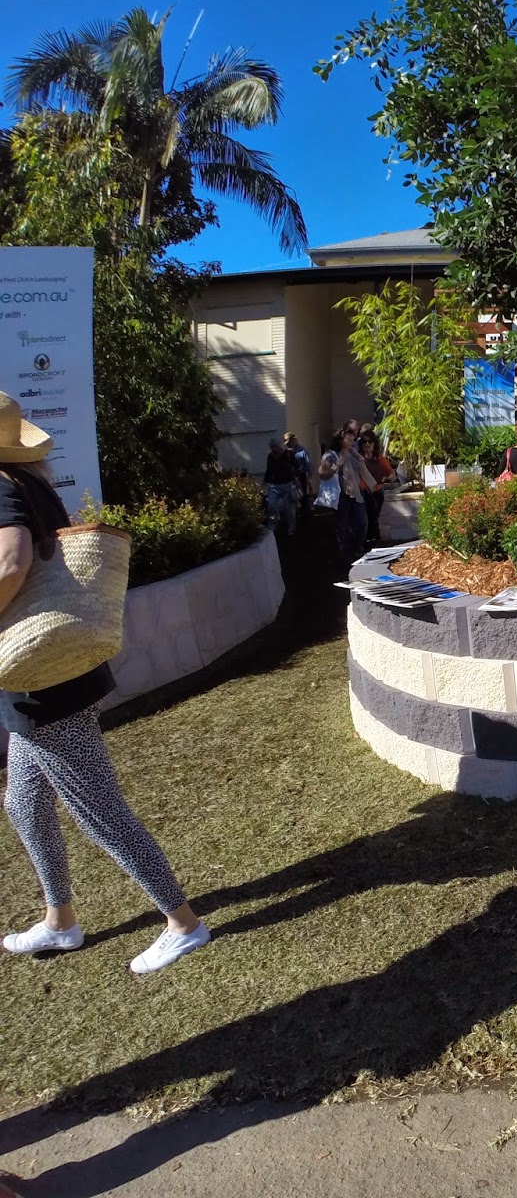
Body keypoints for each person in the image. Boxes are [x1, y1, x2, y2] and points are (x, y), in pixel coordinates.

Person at [0, 393, 209, 974]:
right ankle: (60, 920)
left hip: (42, 674)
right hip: (46, 667)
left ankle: (182, 922)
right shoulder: (30, 481)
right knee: (23, 801)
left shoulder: (0, 486)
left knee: (97, 808)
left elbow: (11, 565)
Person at [320, 427, 377, 564]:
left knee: (362, 522)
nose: (352, 442)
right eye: (349, 439)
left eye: (353, 439)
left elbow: (361, 470)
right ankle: (345, 553)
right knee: (343, 524)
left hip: (356, 493)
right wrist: (337, 465)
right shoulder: (331, 455)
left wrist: (371, 484)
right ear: (341, 440)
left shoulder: (353, 453)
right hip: (341, 495)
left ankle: (358, 549)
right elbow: (322, 473)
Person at [358, 432, 395, 546]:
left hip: (377, 492)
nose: (367, 444)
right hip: (363, 492)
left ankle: (374, 541)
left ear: (374, 444)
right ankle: (369, 540)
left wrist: (387, 479)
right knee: (366, 518)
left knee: (374, 517)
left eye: (370, 441)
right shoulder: (358, 459)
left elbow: (391, 474)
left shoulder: (379, 459)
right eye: (364, 442)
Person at [263, 437, 299, 537]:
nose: (273, 449)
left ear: (279, 446)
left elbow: (297, 467)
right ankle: (273, 527)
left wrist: (295, 478)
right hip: (274, 485)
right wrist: (265, 482)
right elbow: (269, 470)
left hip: (287, 484)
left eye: (274, 447)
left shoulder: (288, 454)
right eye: (271, 447)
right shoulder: (270, 457)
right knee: (272, 506)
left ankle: (291, 528)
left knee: (288, 509)